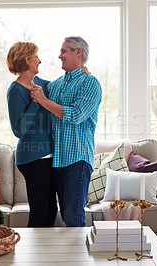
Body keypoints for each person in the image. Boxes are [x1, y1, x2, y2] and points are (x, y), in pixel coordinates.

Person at [31, 36, 102, 227]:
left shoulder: (90, 83)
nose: (59, 55)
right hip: (57, 161)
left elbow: (76, 114)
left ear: (78, 52)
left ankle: (81, 258)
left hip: (78, 160)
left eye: (64, 51)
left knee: (73, 216)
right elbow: (33, 82)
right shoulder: (55, 85)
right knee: (65, 216)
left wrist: (44, 101)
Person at [6, 42, 57, 227]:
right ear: (26, 59)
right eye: (36, 57)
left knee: (51, 212)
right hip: (32, 158)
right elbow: (18, 130)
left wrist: (83, 76)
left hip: (50, 157)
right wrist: (36, 101)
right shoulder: (15, 91)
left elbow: (65, 88)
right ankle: (30, 255)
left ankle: (44, 254)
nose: (39, 61)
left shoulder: (43, 85)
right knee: (40, 213)